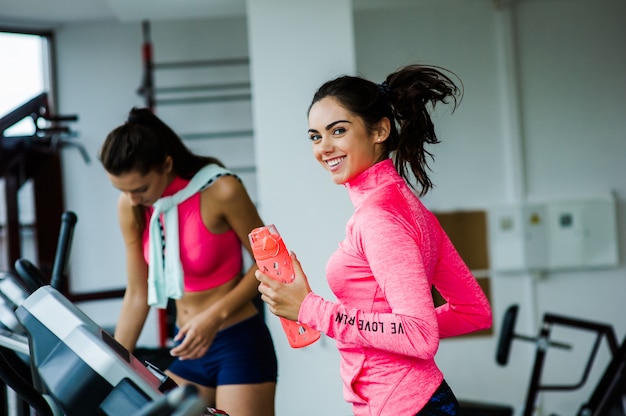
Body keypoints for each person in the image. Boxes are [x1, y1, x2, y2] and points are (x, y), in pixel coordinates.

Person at [255, 64, 493, 416]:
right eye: (315, 136)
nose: (324, 148)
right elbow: (474, 313)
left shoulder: (379, 218)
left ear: (380, 130)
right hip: (415, 401)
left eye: (338, 131)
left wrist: (312, 310)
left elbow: (420, 336)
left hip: (404, 405)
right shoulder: (407, 207)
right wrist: (387, 337)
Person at [99, 107, 277, 416]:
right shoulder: (132, 207)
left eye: (140, 189)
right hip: (189, 350)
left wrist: (213, 317)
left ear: (166, 164)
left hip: (238, 344)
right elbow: (137, 294)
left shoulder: (221, 190)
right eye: (121, 190)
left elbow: (271, 261)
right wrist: (110, 370)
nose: (132, 199)